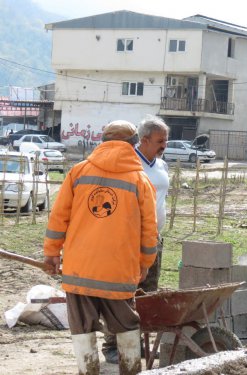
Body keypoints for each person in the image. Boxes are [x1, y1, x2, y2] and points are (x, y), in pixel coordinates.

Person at [43, 120, 158, 375]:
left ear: (102, 141)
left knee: (82, 329)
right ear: (134, 144)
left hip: (79, 271)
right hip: (118, 273)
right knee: (127, 326)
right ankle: (130, 370)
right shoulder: (140, 180)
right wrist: (145, 263)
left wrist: (52, 252)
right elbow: (150, 230)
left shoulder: (79, 172)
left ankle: (88, 372)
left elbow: (58, 217)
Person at [102, 115, 170, 364]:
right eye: (160, 141)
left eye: (166, 140)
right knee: (121, 293)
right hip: (128, 240)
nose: (165, 145)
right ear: (144, 140)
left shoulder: (161, 166)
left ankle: (140, 344)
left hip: (153, 239)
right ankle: (111, 346)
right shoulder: (131, 165)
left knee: (146, 294)